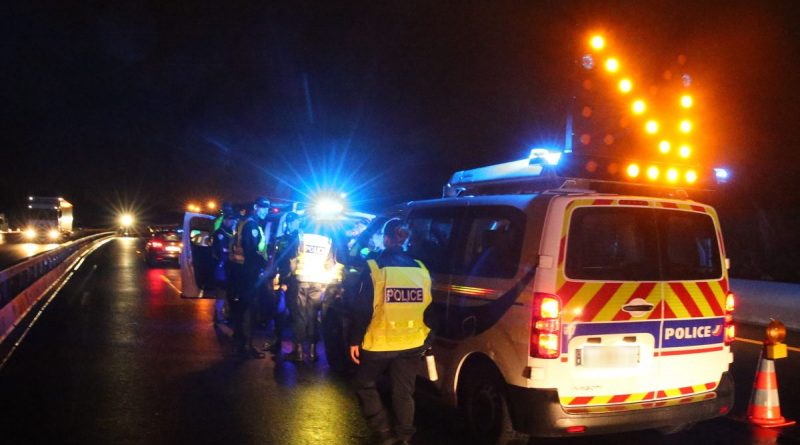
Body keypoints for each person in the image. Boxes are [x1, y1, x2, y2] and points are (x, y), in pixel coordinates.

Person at [349, 218, 436, 445]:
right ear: (406, 240)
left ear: (386, 239)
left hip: (380, 341)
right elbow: (429, 308)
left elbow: (362, 308)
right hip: (412, 342)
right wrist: (428, 338)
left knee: (364, 384)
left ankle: (384, 433)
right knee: (403, 392)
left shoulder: (374, 267)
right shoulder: (422, 269)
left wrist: (355, 340)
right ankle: (405, 437)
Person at [230, 197, 271, 359]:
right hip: (248, 273)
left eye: (267, 209)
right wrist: (265, 265)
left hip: (240, 272)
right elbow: (251, 251)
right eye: (263, 208)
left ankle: (239, 342)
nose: (265, 211)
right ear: (256, 207)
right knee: (249, 310)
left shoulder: (243, 222)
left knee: (241, 308)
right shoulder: (252, 225)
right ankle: (246, 346)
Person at [212, 203, 237, 324]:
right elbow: (223, 251)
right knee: (221, 293)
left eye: (233, 220)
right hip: (222, 267)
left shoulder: (231, 233)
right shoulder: (220, 233)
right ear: (225, 220)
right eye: (229, 220)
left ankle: (226, 314)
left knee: (228, 293)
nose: (231, 222)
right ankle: (219, 316)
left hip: (230, 268)